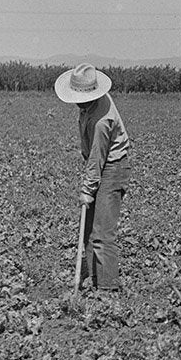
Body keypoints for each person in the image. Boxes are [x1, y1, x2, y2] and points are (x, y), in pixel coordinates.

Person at [53, 63, 130, 291]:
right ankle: (92, 277)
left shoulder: (100, 122)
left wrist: (87, 190)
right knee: (88, 229)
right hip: (100, 164)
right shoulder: (89, 104)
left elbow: (98, 157)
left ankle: (107, 290)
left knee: (102, 232)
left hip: (112, 168)